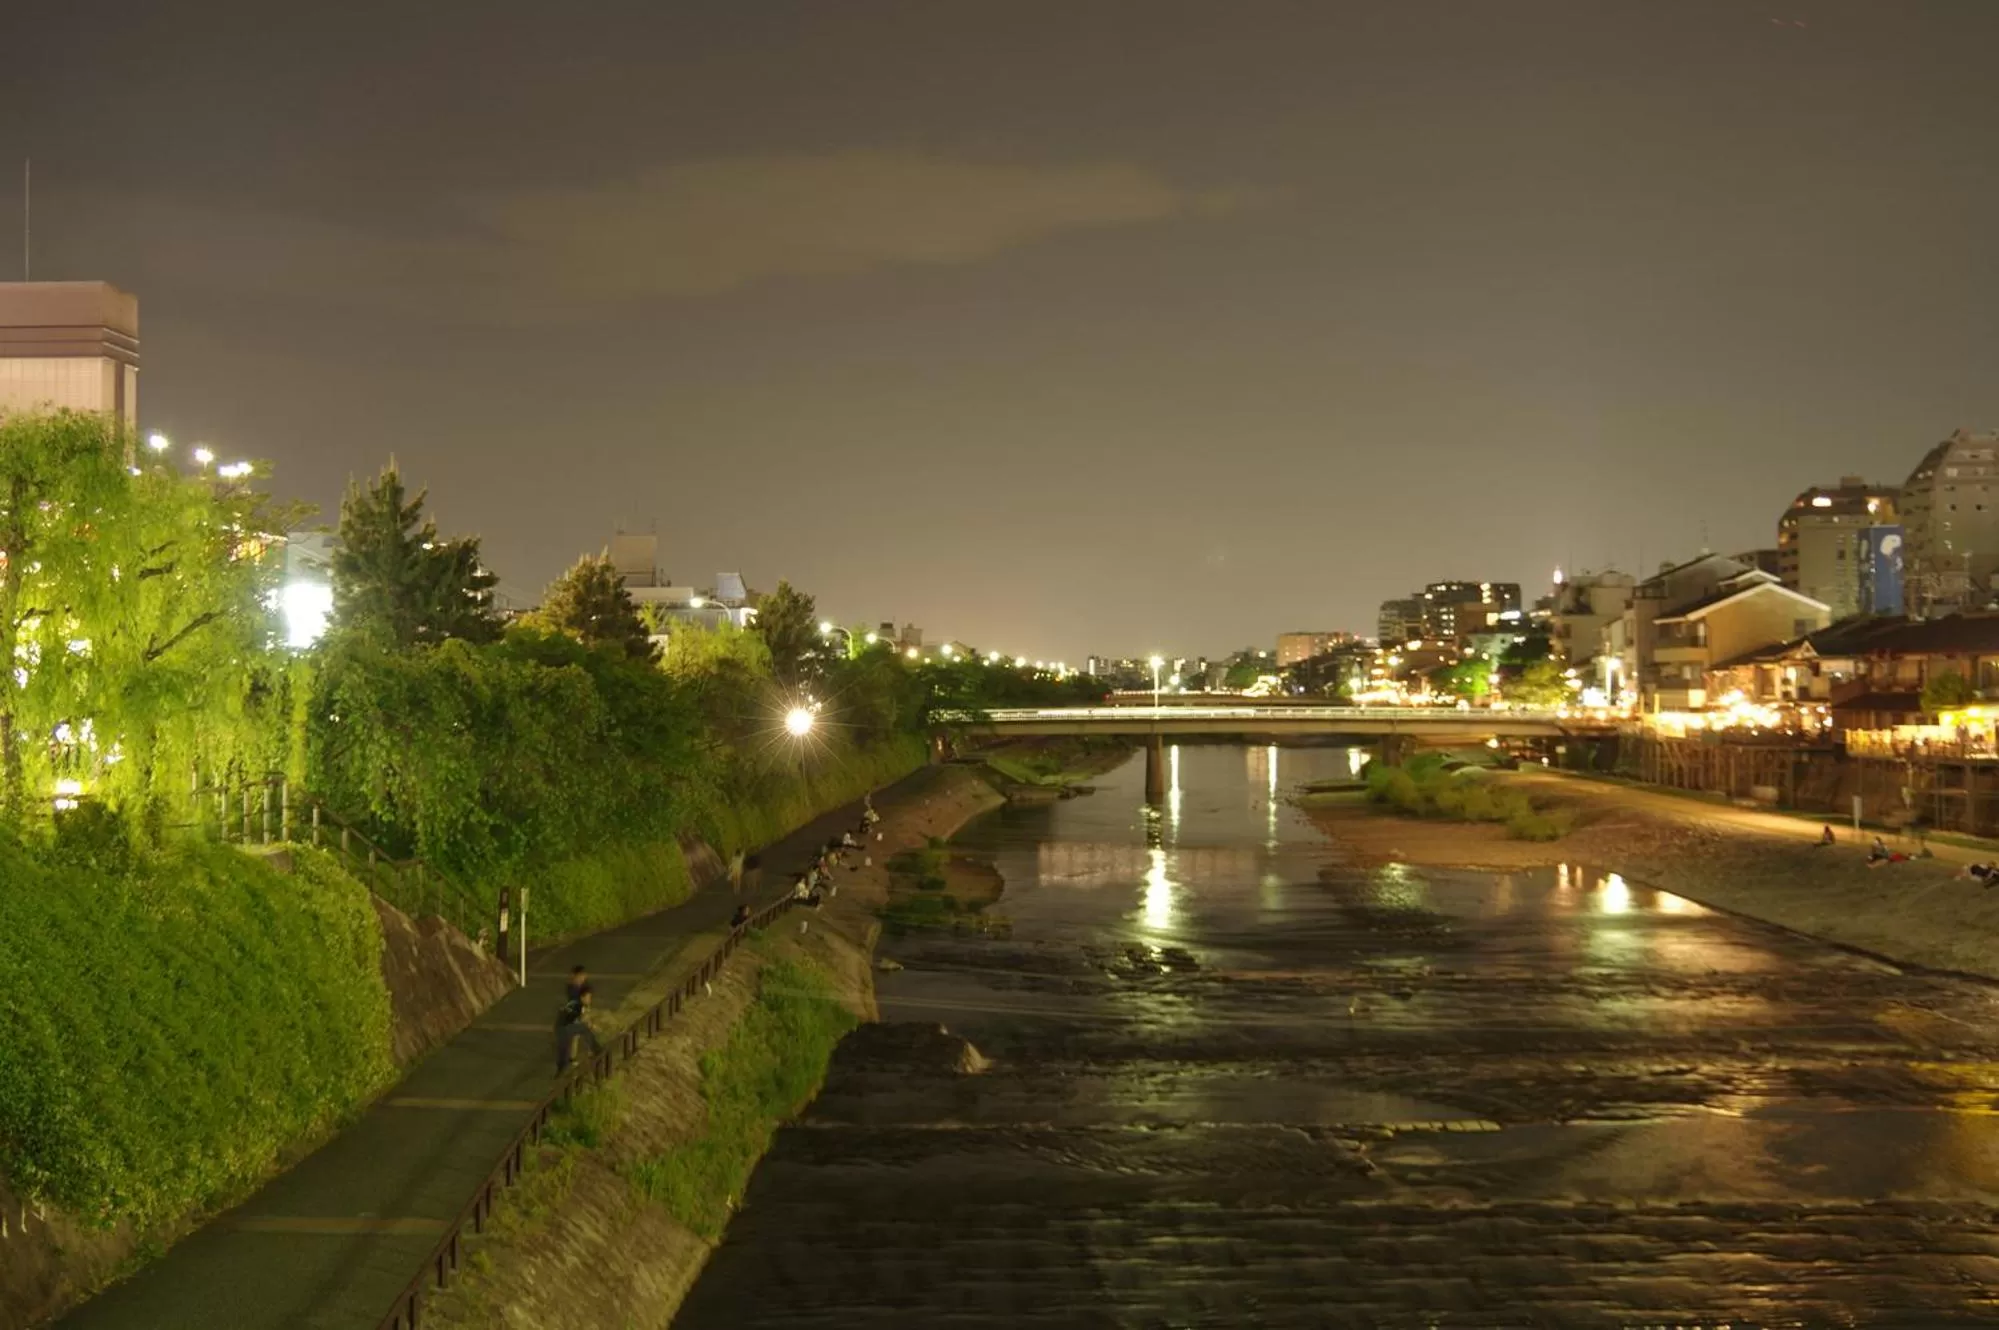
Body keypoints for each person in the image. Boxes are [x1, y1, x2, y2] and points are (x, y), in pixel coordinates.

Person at [555, 965, 603, 1075]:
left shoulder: (580, 989)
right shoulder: (573, 993)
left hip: (565, 1025)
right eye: (588, 998)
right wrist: (591, 1024)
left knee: (576, 1035)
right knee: (580, 1031)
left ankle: (566, 1065)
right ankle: (596, 1051)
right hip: (565, 1026)